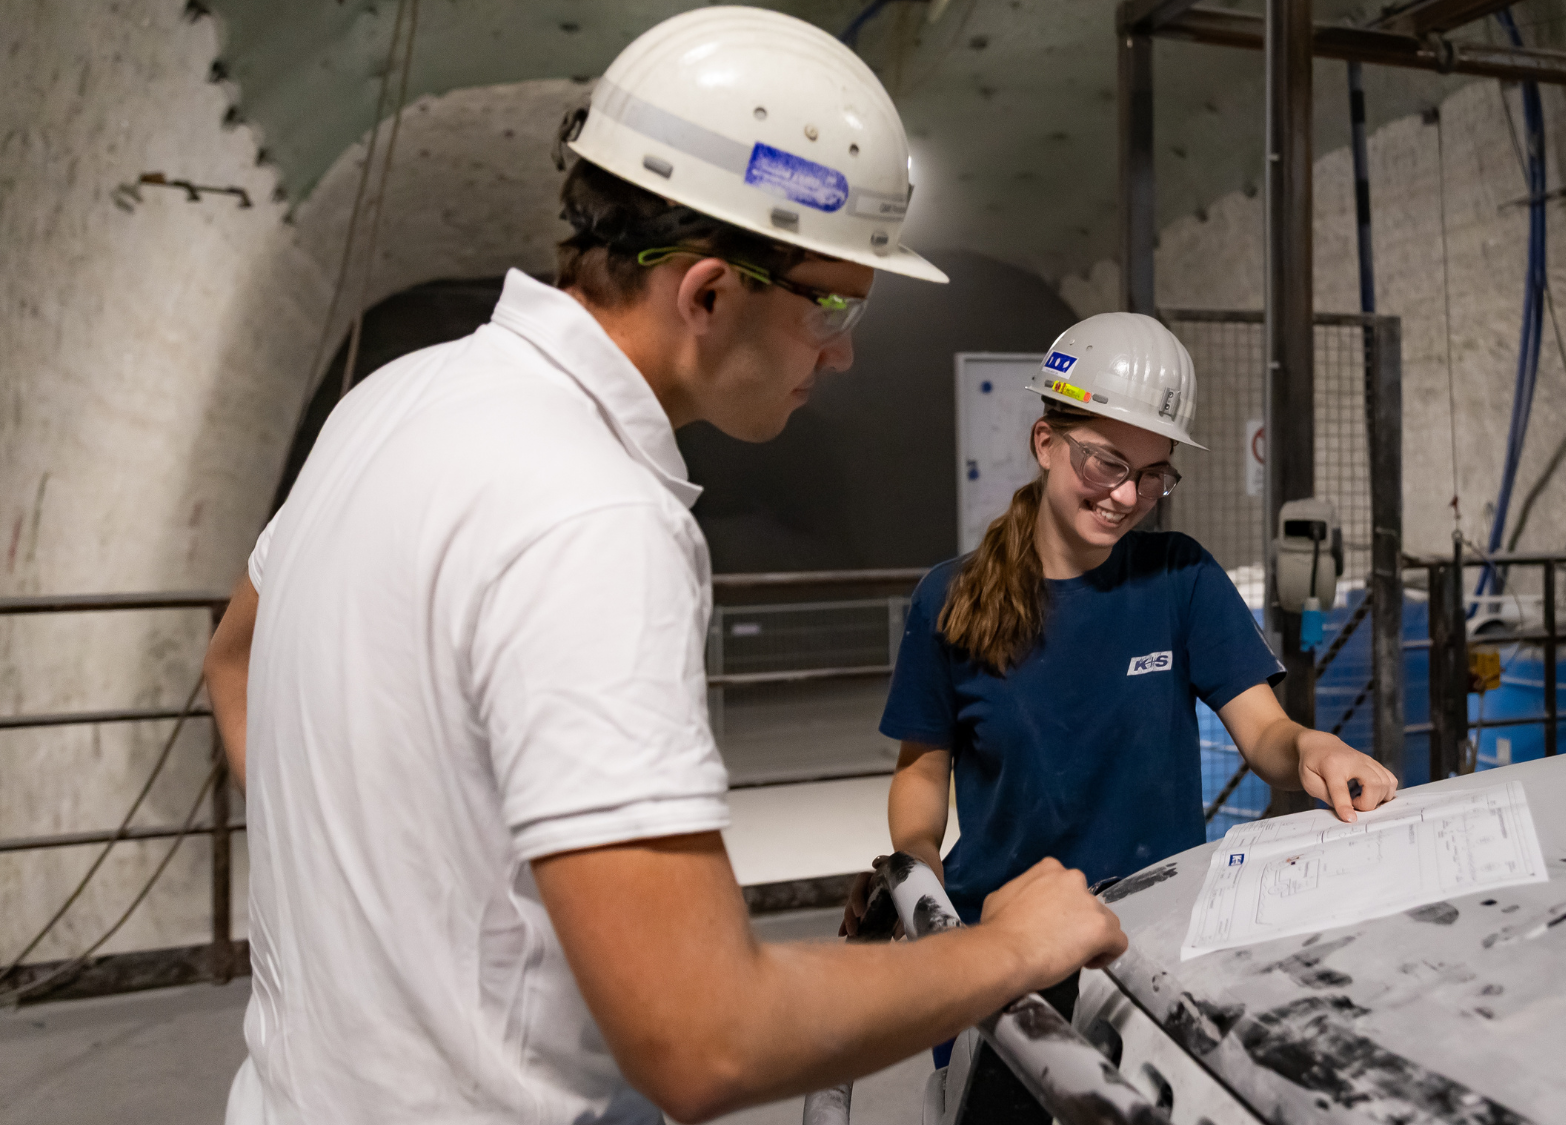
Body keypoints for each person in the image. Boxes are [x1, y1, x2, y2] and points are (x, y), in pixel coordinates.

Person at [201, 10, 1124, 1123]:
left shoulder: (392, 399)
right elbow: (704, 1038)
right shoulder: (594, 514)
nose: (840, 352)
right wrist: (1010, 947)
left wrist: (382, 880)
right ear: (707, 293)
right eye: (832, 303)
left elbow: (237, 660)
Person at [875, 312, 1400, 936]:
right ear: (1046, 442)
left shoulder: (1180, 578)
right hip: (1001, 935)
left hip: (1158, 928)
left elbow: (1265, 734)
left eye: (1154, 474)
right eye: (1106, 463)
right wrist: (918, 873)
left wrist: (1315, 746)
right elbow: (923, 769)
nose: (1127, 496)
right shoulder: (952, 596)